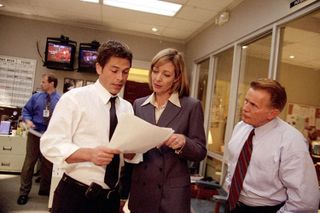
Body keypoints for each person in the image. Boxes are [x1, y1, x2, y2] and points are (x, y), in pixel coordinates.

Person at [40, 40, 134, 213]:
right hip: (76, 197)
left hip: (110, 200)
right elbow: (50, 145)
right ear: (99, 68)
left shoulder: (127, 108)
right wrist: (90, 154)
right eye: (114, 71)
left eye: (125, 72)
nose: (120, 78)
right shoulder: (74, 99)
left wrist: (131, 152)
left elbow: (128, 156)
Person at [127, 48, 207, 213]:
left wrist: (183, 142)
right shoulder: (138, 105)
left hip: (172, 196)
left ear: (177, 77)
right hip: (141, 191)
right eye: (155, 71)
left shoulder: (191, 106)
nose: (158, 78)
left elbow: (200, 151)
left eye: (166, 74)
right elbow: (133, 146)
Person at [225, 78, 319, 213]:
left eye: (253, 105)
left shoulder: (291, 141)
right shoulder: (240, 127)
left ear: (272, 113)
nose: (245, 108)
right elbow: (233, 166)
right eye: (246, 101)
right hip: (232, 205)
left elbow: (305, 201)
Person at [17, 73, 60, 205]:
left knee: (49, 164)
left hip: (50, 136)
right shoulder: (36, 97)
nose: (41, 84)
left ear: (52, 83)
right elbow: (26, 111)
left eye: (43, 82)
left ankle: (45, 189)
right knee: (29, 163)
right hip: (34, 134)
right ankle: (23, 193)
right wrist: (28, 120)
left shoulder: (61, 99)